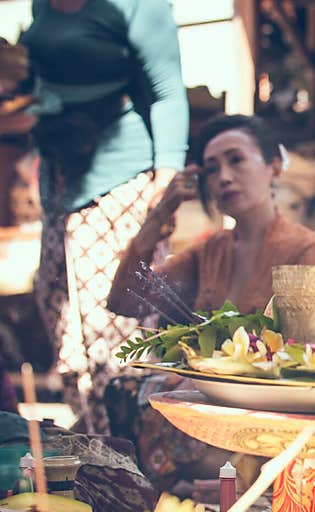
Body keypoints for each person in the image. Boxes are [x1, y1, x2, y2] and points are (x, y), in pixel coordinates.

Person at [107, 113, 315, 495]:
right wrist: (160, 215)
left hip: (270, 413)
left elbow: (313, 362)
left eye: (237, 160)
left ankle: (247, 476)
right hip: (208, 412)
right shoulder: (210, 251)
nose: (224, 177)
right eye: (211, 170)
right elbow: (125, 300)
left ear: (273, 166)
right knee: (123, 391)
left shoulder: (308, 248)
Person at [20, 0, 190, 435]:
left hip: (122, 177)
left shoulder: (135, 6)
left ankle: (129, 444)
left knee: (111, 324)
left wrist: (164, 189)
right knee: (57, 305)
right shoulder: (42, 4)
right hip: (61, 173)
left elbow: (168, 92)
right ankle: (93, 436)